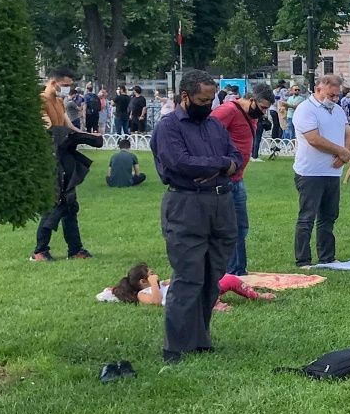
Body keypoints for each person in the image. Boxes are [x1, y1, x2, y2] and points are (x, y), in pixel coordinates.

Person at [149, 69, 242, 363]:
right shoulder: (169, 126)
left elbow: (236, 158)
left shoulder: (215, 126)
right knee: (188, 276)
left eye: (212, 98)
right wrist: (219, 165)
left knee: (212, 276)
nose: (209, 104)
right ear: (185, 96)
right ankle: (175, 347)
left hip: (221, 204)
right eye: (203, 99)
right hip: (186, 205)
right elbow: (178, 163)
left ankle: (200, 339)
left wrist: (216, 167)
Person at [33, 67, 102, 261]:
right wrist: (76, 137)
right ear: (53, 82)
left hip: (63, 157)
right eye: (65, 85)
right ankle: (39, 250)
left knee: (70, 204)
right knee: (54, 203)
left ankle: (75, 249)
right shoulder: (40, 101)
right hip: (50, 159)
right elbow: (49, 128)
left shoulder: (60, 101)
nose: (68, 89)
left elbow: (67, 126)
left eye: (70, 86)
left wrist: (88, 136)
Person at [210, 83, 275, 277]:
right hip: (224, 179)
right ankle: (230, 272)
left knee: (240, 227)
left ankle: (239, 270)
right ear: (252, 100)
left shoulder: (251, 115)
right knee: (229, 228)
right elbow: (206, 134)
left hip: (238, 179)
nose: (263, 113)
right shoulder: (228, 110)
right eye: (262, 108)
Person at [291, 75, 350, 267]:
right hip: (310, 173)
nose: (334, 99)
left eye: (337, 96)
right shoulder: (305, 110)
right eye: (331, 95)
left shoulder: (338, 110)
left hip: (332, 173)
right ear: (318, 89)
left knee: (329, 216)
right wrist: (340, 151)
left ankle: (327, 256)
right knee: (307, 217)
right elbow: (314, 139)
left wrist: (346, 154)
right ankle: (303, 259)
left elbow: (349, 135)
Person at [104, 263, 274, 311]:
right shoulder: (144, 294)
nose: (154, 274)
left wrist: (169, 281)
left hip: (188, 290)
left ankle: (256, 296)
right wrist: (155, 284)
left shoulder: (159, 284)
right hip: (185, 299)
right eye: (151, 273)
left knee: (229, 279)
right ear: (143, 281)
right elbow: (156, 302)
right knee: (200, 293)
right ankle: (213, 304)